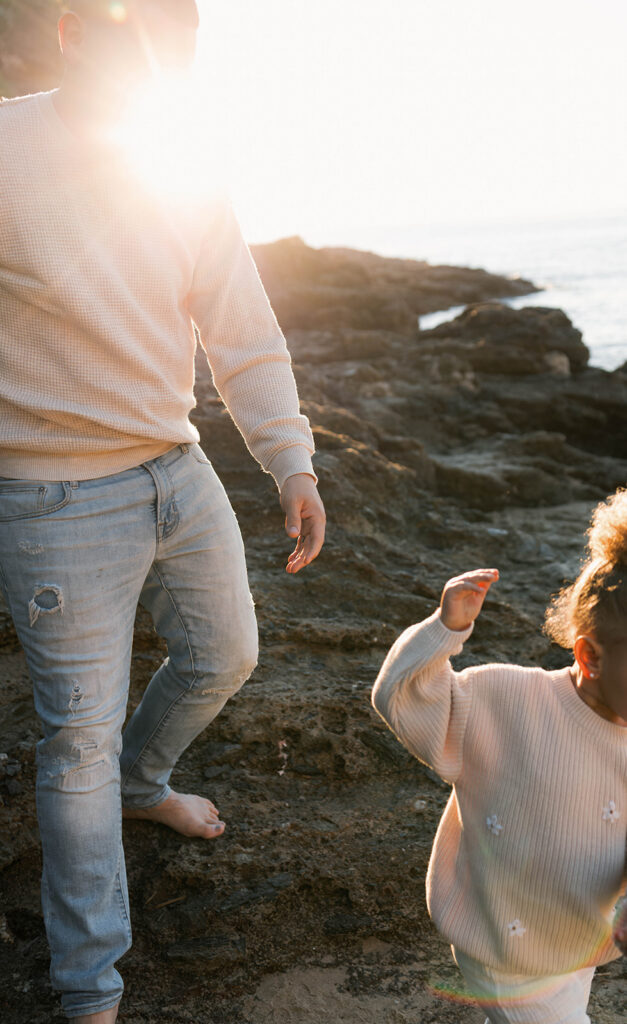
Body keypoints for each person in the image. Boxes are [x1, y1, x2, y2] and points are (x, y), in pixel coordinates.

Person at [0, 1, 325, 1020]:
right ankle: (88, 988)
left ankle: (147, 780)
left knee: (226, 652)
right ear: (71, 34)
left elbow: (241, 327)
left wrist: (293, 464)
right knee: (74, 745)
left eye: (177, 47)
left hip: (176, 468)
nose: (159, 64)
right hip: (50, 494)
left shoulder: (179, 159)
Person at [371, 489, 627, 1024]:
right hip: (504, 950)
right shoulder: (506, 701)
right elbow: (401, 697)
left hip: (579, 944)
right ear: (590, 656)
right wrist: (445, 631)